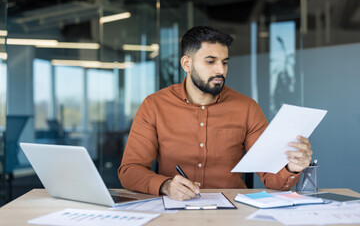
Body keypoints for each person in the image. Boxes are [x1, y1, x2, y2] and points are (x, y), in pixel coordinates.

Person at [118, 26, 312, 201]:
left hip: (233, 213)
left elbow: (273, 180)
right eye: (211, 62)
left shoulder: (247, 108)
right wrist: (165, 185)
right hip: (174, 211)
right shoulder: (154, 106)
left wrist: (291, 167)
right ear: (187, 64)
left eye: (224, 62)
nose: (220, 70)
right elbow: (129, 170)